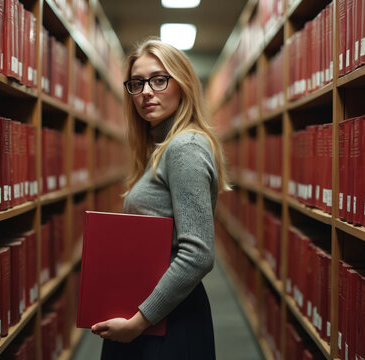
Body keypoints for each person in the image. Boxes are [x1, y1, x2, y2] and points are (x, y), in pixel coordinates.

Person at [90, 38, 230, 359]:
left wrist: (139, 321)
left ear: (182, 85)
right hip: (154, 310)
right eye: (137, 83)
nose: (146, 92)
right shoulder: (160, 148)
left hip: (167, 320)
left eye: (159, 79)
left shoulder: (184, 148)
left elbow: (197, 254)